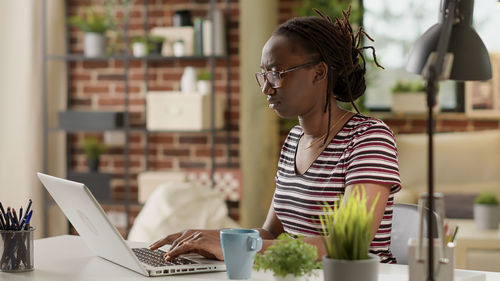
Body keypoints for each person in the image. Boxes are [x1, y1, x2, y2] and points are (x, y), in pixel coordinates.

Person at [150, 8, 401, 263]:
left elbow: (348, 243)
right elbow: (272, 233)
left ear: (319, 73)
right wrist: (209, 237)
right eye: (264, 74)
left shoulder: (369, 138)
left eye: (277, 73)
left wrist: (236, 249)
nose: (267, 88)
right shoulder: (295, 139)